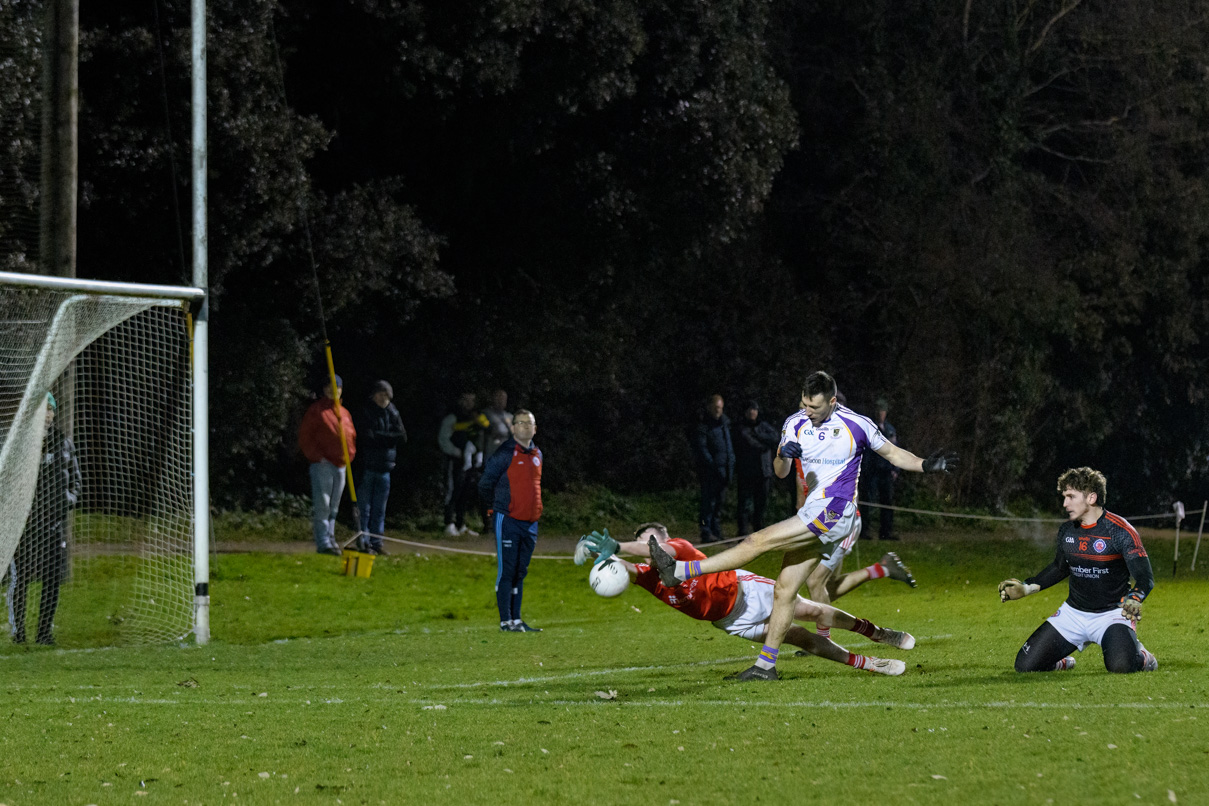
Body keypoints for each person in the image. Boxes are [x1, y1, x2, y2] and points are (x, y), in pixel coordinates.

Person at [649, 370, 956, 680]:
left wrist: (925, 464)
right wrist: (784, 454)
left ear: (833, 402)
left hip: (837, 511)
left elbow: (892, 453)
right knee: (784, 591)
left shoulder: (856, 424)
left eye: (815, 407)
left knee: (756, 542)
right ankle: (766, 667)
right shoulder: (795, 423)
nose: (807, 411)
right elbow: (780, 471)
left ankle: (681, 572)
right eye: (804, 404)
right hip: (813, 511)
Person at [577, 523, 915, 675]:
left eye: (650, 540)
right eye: (642, 541)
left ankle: (877, 632)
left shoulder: (676, 548)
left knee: (811, 610)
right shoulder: (648, 577)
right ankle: (866, 664)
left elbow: (650, 551)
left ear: (665, 538)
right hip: (729, 621)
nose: (647, 546)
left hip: (745, 590)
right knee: (799, 637)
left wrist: (620, 546)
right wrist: (592, 552)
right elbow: (622, 567)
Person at [999, 467, 1157, 674]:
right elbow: (1059, 568)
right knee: (1024, 666)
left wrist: (1135, 598)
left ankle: (1144, 657)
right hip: (1073, 614)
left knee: (1121, 667)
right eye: (1064, 497)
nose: (1065, 503)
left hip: (1112, 614)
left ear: (1091, 497)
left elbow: (1145, 578)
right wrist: (1027, 588)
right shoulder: (1067, 530)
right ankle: (1062, 663)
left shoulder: (1121, 531)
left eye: (1071, 496)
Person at [8, 393, 80, 646]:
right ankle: (19, 633)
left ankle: (44, 633)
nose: (49, 414)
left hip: (53, 526)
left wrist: (64, 503)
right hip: (25, 528)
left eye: (51, 409)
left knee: (52, 580)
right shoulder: (20, 444)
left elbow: (76, 481)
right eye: (44, 409)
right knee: (22, 580)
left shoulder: (63, 442)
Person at [478, 409, 543, 632]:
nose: (525, 427)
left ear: (535, 428)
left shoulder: (537, 454)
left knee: (520, 572)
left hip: (530, 523)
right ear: (513, 428)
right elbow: (485, 483)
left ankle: (517, 620)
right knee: (507, 570)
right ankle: (505, 621)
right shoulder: (505, 453)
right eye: (521, 423)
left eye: (530, 423)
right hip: (507, 519)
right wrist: (492, 509)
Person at [299, 375, 357, 555]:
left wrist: (350, 456)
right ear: (324, 390)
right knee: (322, 504)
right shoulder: (316, 411)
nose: (333, 391)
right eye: (330, 387)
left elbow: (350, 437)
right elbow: (305, 437)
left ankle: (331, 538)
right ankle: (323, 542)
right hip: (323, 464)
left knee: (334, 506)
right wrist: (317, 457)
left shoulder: (344, 413)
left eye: (337, 388)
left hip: (341, 465)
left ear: (341, 390)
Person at [352, 380, 406, 554]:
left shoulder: (393, 412)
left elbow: (402, 436)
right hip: (368, 466)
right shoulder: (366, 412)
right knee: (365, 508)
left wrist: (382, 437)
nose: (384, 398)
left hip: (386, 468)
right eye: (381, 394)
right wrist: (388, 438)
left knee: (380, 510)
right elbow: (368, 437)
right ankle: (364, 542)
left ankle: (377, 543)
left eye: (387, 395)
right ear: (374, 395)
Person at [438, 392, 489, 537]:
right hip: (455, 461)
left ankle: (460, 524)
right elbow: (443, 439)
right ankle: (449, 523)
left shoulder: (474, 418)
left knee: (464, 492)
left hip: (469, 462)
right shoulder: (452, 417)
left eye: (472, 400)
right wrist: (455, 451)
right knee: (453, 491)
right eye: (466, 400)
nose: (469, 403)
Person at [690, 394, 734, 542]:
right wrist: (712, 464)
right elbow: (702, 449)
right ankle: (706, 531)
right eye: (716, 408)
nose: (718, 411)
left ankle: (716, 530)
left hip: (724, 471)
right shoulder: (704, 427)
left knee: (719, 504)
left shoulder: (725, 425)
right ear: (709, 407)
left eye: (720, 408)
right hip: (710, 472)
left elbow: (728, 447)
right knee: (708, 503)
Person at [732, 400, 780, 535]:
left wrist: (759, 436)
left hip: (764, 472)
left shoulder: (763, 426)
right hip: (747, 472)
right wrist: (764, 443)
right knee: (745, 504)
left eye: (755, 409)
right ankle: (742, 531)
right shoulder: (741, 428)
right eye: (750, 410)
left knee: (761, 503)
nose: (752, 412)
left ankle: (758, 529)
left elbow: (775, 438)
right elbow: (751, 444)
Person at [862, 398, 899, 541]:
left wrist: (895, 469)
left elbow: (895, 450)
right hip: (872, 471)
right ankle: (864, 531)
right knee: (868, 501)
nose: (880, 414)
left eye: (882, 411)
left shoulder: (890, 430)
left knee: (887, 501)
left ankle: (886, 532)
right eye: (878, 411)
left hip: (886, 471)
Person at [483, 389, 513, 459]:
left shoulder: (510, 416)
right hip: (491, 449)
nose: (501, 401)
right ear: (493, 399)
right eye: (498, 398)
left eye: (503, 399)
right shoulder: (486, 414)